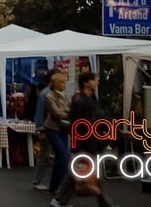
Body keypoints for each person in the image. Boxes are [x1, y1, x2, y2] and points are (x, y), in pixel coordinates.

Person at [51, 72, 118, 207]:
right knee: (84, 172)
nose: (97, 81)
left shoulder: (91, 98)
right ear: (86, 83)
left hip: (92, 141)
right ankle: (103, 202)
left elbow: (97, 119)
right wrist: (78, 146)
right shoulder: (79, 101)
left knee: (81, 172)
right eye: (94, 79)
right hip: (86, 142)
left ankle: (59, 200)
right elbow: (78, 125)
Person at [43, 73, 70, 195]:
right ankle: (57, 186)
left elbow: (69, 108)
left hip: (63, 129)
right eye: (62, 82)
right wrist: (68, 113)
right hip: (52, 129)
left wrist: (66, 111)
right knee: (63, 155)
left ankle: (55, 186)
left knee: (62, 158)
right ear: (57, 84)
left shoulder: (65, 96)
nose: (64, 84)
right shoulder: (50, 96)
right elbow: (56, 112)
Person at [32, 69, 57, 191]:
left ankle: (55, 181)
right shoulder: (45, 93)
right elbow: (40, 113)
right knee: (44, 156)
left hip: (56, 129)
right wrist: (40, 129)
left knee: (57, 155)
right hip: (47, 129)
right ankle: (38, 180)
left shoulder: (54, 92)